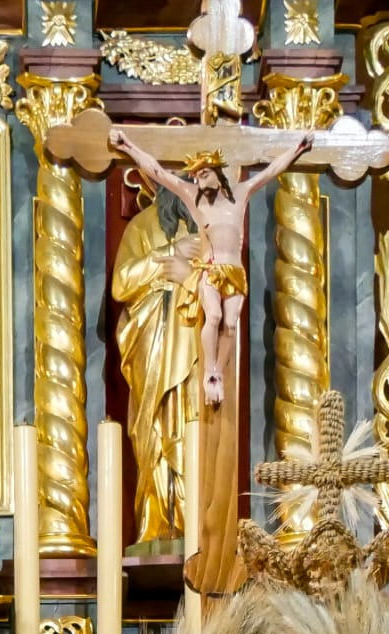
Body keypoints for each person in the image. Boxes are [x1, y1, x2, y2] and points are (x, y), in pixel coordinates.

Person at [106, 128, 309, 407]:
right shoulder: (191, 198)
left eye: (204, 174)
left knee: (229, 324)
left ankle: (218, 372)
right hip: (210, 271)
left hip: (234, 272)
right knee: (212, 317)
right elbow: (157, 171)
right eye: (196, 176)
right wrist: (128, 146)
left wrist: (297, 149)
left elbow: (270, 172)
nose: (198, 180)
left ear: (217, 172)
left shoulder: (240, 195)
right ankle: (210, 372)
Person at [112, 182, 200, 542]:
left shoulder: (207, 229)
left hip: (194, 348)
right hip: (151, 346)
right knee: (151, 434)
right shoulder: (141, 225)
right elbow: (121, 285)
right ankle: (155, 526)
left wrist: (191, 277)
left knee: (192, 432)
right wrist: (169, 253)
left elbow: (225, 289)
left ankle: (192, 525)